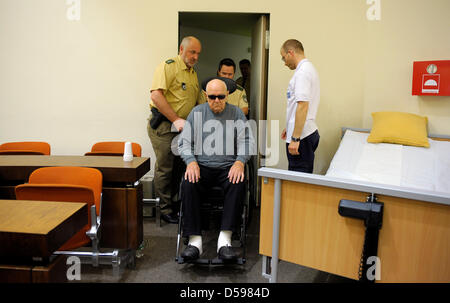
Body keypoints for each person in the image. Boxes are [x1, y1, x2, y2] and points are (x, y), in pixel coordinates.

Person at [178, 78, 255, 261]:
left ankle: (225, 241)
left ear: (227, 95)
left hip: (228, 167)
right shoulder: (196, 113)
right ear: (206, 96)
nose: (217, 101)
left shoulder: (236, 113)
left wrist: (240, 162)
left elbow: (247, 142)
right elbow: (184, 142)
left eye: (221, 96)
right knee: (188, 183)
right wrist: (190, 161)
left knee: (238, 182)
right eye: (212, 97)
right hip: (201, 166)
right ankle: (195, 242)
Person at [147, 36, 202, 224]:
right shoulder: (168, 66)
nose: (195, 56)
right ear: (181, 49)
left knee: (179, 167)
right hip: (164, 125)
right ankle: (164, 209)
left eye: (197, 53)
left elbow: (199, 100)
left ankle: (175, 204)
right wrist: (176, 119)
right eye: (192, 52)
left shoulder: (192, 73)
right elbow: (156, 95)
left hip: (181, 129)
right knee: (165, 167)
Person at [280, 39, 320, 173]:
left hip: (302, 136)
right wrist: (290, 126)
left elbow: (303, 106)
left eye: (284, 58)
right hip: (303, 132)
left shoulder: (303, 72)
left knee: (298, 181)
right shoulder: (307, 69)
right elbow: (296, 105)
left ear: (290, 53)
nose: (284, 63)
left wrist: (295, 138)